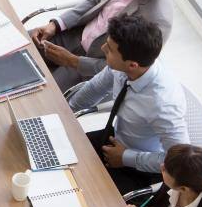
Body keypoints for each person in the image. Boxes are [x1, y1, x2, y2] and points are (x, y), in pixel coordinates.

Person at [30, 0, 178, 91]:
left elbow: (123, 68)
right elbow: (97, 0)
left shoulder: (156, 22)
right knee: (22, 44)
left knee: (43, 95)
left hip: (93, 65)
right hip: (76, 34)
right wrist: (55, 24)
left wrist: (73, 61)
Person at [68, 14, 188, 195]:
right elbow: (94, 89)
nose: (102, 49)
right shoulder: (122, 67)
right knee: (61, 157)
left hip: (139, 167)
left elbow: (178, 163)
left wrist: (126, 158)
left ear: (132, 65)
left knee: (85, 195)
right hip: (115, 139)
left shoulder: (162, 106)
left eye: (108, 50)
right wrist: (65, 113)